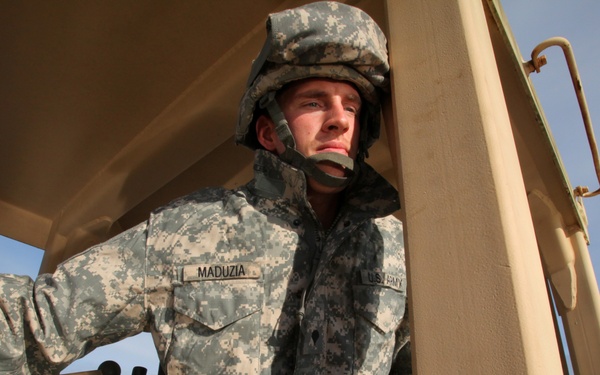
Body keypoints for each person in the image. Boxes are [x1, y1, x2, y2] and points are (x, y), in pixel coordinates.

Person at [0, 2, 410, 374]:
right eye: (314, 102)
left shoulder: (395, 246)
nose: (340, 119)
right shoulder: (189, 229)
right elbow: (34, 324)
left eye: (352, 106)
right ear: (269, 133)